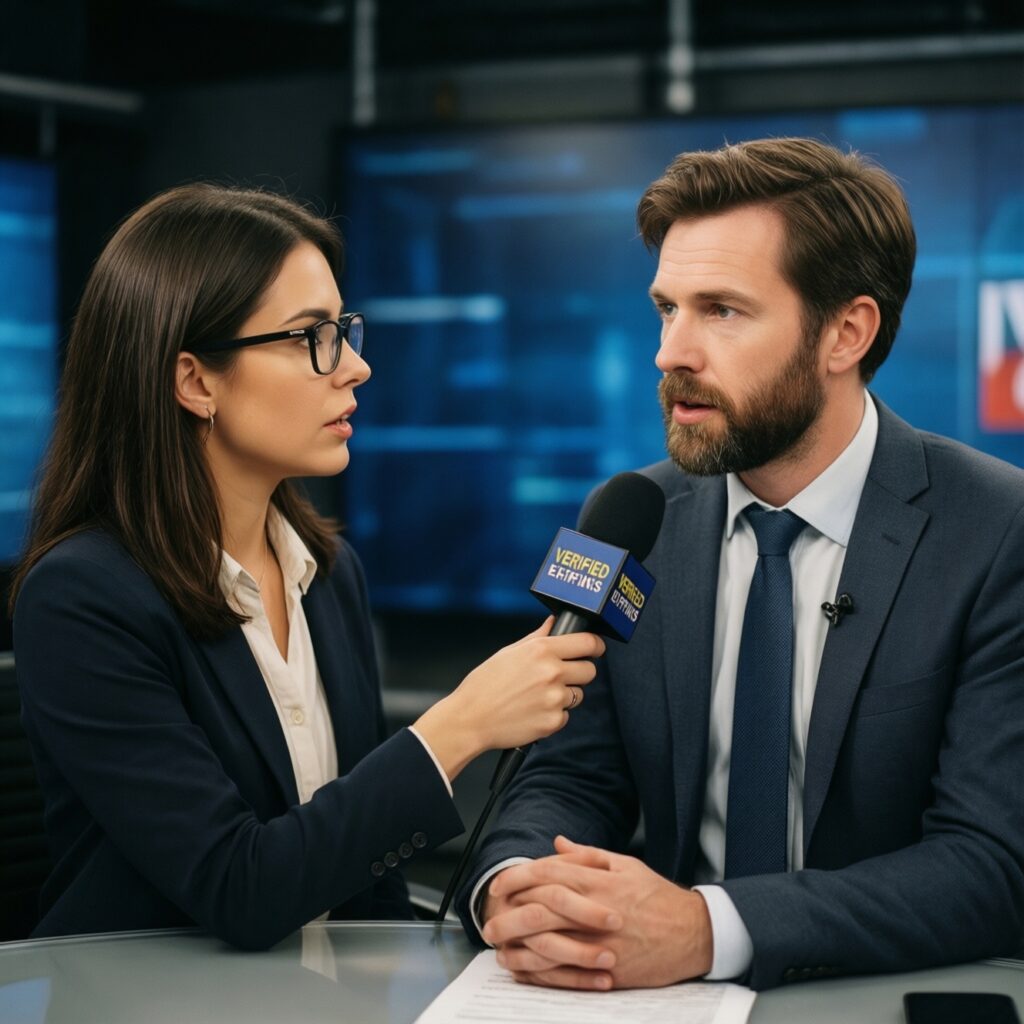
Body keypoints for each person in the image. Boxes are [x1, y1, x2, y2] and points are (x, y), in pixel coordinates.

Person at [457, 138, 1024, 991]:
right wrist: (519, 883)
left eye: (721, 310)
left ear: (846, 333)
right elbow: (567, 775)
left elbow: (990, 864)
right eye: (667, 309)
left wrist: (708, 929)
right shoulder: (622, 518)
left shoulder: (999, 530)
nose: (671, 352)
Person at [9, 183, 604, 948]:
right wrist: (461, 724)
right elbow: (238, 886)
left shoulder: (328, 570)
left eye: (344, 330)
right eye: (310, 337)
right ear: (195, 381)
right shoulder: (81, 598)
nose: (354, 367)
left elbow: (366, 876)